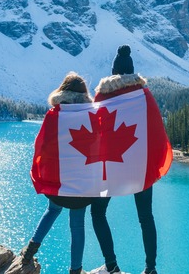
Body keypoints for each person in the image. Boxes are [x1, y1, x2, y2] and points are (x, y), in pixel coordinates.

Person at [90, 45, 165, 274]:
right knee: (145, 216)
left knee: (97, 212)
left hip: (111, 164)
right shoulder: (143, 94)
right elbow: (156, 128)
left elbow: (94, 128)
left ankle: (112, 266)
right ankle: (150, 269)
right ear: (132, 71)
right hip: (139, 164)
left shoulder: (103, 94)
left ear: (113, 72)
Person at [21, 72, 95, 274]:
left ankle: (28, 253)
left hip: (59, 184)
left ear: (62, 91)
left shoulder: (55, 114)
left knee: (52, 211)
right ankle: (75, 270)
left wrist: (42, 170)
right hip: (82, 185)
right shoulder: (91, 115)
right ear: (84, 94)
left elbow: (41, 144)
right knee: (77, 226)